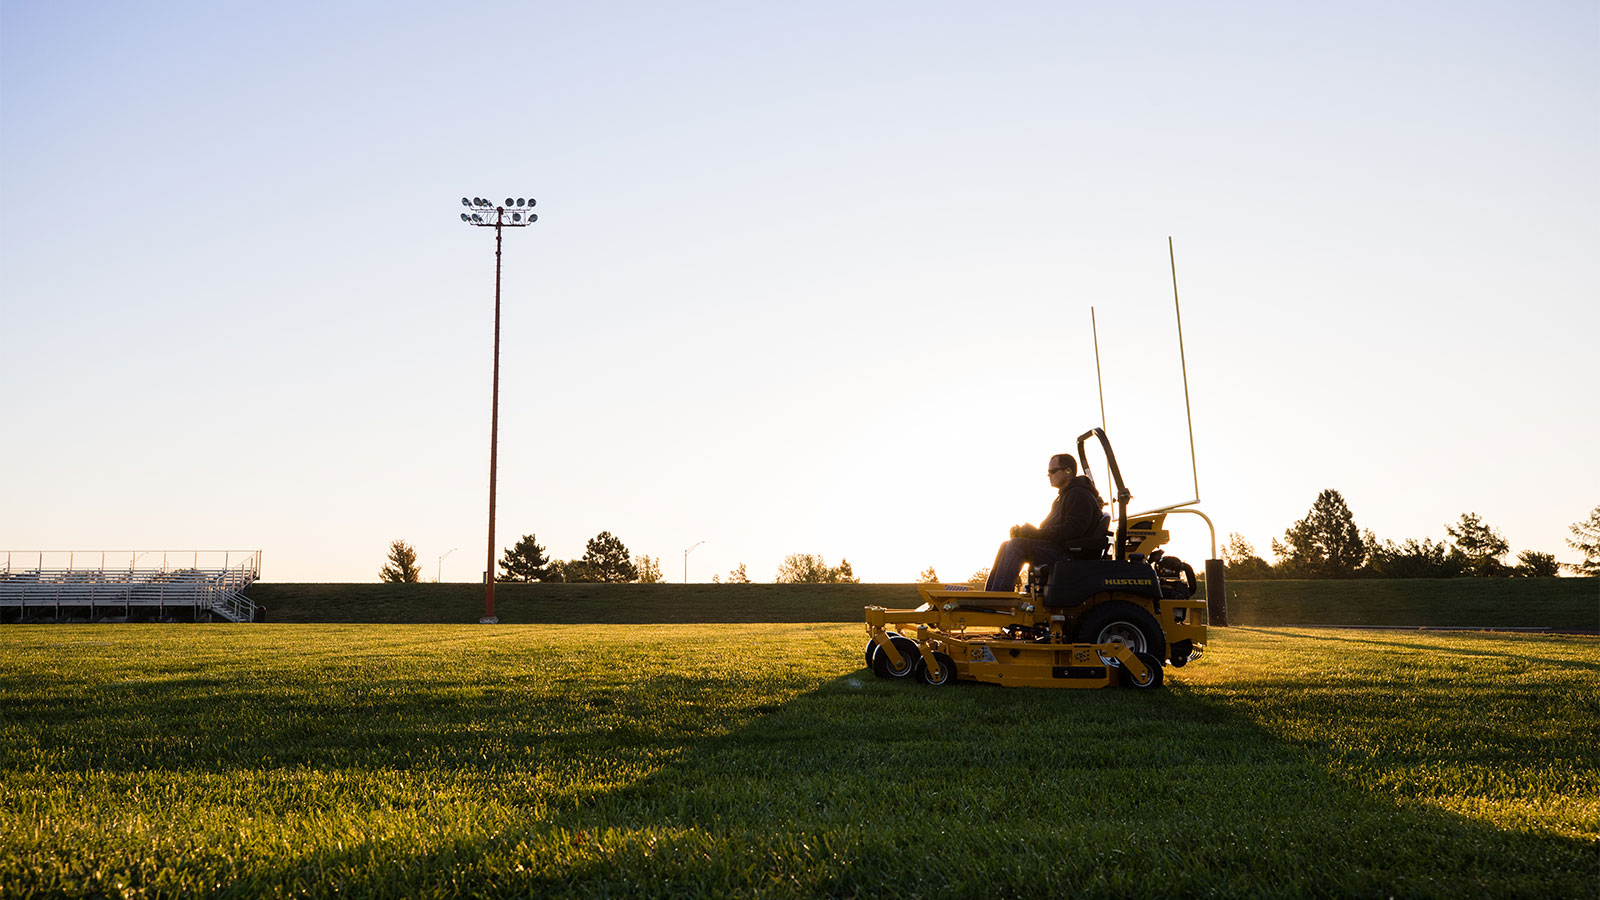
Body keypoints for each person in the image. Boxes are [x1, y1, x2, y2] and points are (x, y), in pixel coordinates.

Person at [983, 453, 1106, 592]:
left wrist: (1034, 533)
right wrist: (1026, 533)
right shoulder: (1064, 497)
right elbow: (1050, 529)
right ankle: (990, 596)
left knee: (1015, 546)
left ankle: (1000, 598)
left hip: (1070, 556)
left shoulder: (1078, 495)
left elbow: (1072, 530)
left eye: (1053, 471)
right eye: (1048, 472)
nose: (1049, 475)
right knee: (1007, 545)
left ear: (1068, 472)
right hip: (1059, 550)